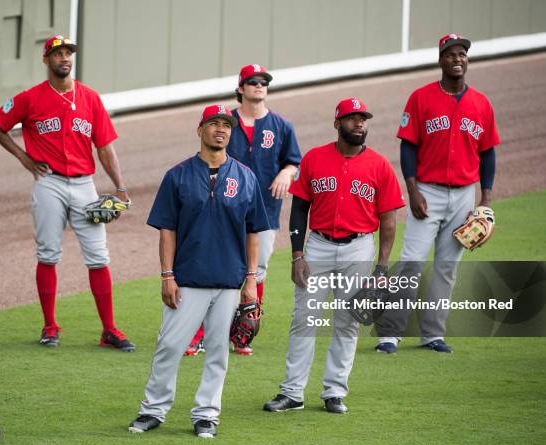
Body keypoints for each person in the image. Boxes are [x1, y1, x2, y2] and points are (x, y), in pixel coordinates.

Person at [128, 105, 270, 438]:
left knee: (218, 352)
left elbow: (254, 232)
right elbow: (167, 229)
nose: (221, 129)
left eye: (226, 125)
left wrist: (251, 280)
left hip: (229, 281)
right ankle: (153, 410)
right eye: (213, 124)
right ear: (200, 130)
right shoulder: (177, 175)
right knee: (169, 347)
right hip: (187, 279)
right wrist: (167, 275)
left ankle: (207, 414)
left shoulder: (246, 177)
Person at [0, 35, 135, 351]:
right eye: (57, 53)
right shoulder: (30, 98)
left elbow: (105, 148)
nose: (64, 58)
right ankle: (50, 325)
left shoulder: (90, 98)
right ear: (46, 60)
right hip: (49, 183)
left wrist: (120, 188)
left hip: (85, 185)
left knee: (98, 258)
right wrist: (22, 156)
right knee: (48, 254)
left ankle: (109, 330)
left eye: (68, 52)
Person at [263, 98, 405, 413]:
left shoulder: (379, 165)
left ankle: (334, 391)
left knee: (347, 322)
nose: (359, 124)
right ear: (338, 123)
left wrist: (381, 267)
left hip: (359, 247)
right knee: (303, 320)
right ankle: (292, 393)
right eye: (352, 119)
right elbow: (299, 208)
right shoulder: (315, 158)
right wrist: (297, 254)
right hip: (318, 246)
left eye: (363, 119)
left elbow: (389, 220)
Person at [374, 33, 500, 354]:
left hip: (463, 196)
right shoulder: (421, 98)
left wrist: (485, 201)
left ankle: (432, 334)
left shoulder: (482, 103)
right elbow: (408, 147)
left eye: (462, 54)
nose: (458, 58)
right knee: (412, 262)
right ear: (440, 60)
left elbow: (487, 154)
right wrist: (413, 190)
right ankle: (390, 333)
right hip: (426, 193)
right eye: (451, 54)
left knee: (447, 267)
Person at [184, 64, 302, 357]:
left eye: (263, 81)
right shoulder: (225, 122)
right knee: (212, 268)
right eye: (252, 81)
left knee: (256, 272)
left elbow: (293, 161)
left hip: (265, 212)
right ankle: (198, 334)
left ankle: (242, 334)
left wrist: (287, 173)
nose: (259, 85)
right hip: (221, 212)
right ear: (241, 88)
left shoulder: (282, 126)